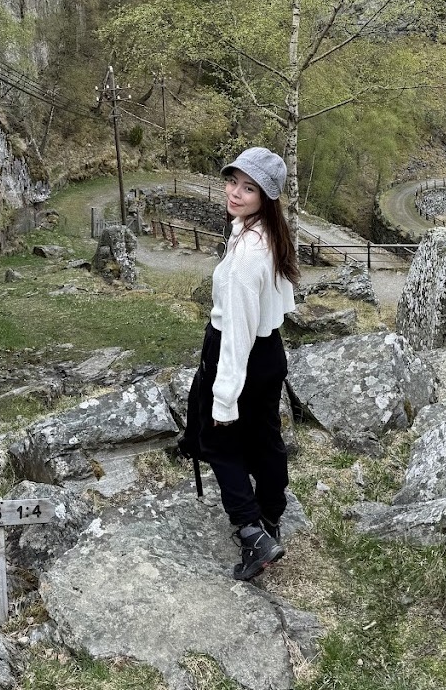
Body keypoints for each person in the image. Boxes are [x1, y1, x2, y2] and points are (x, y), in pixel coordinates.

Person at [182, 146, 301, 581]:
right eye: (233, 181)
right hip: (270, 351)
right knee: (266, 437)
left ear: (266, 196)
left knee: (216, 441)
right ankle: (271, 515)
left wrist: (224, 397)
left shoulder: (246, 256)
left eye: (249, 188)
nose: (235, 192)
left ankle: (253, 532)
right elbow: (278, 300)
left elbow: (235, 335)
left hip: (240, 351)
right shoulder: (268, 231)